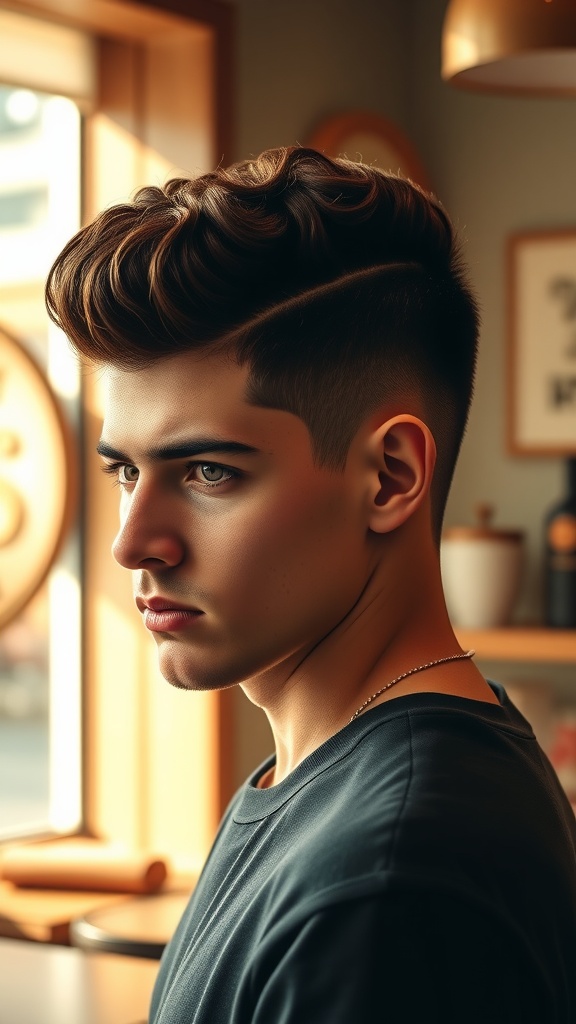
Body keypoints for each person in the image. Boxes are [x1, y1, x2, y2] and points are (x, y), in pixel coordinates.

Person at [46, 147, 576, 1023]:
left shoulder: (388, 887)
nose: (133, 543)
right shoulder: (322, 776)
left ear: (390, 477)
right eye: (126, 472)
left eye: (209, 472)